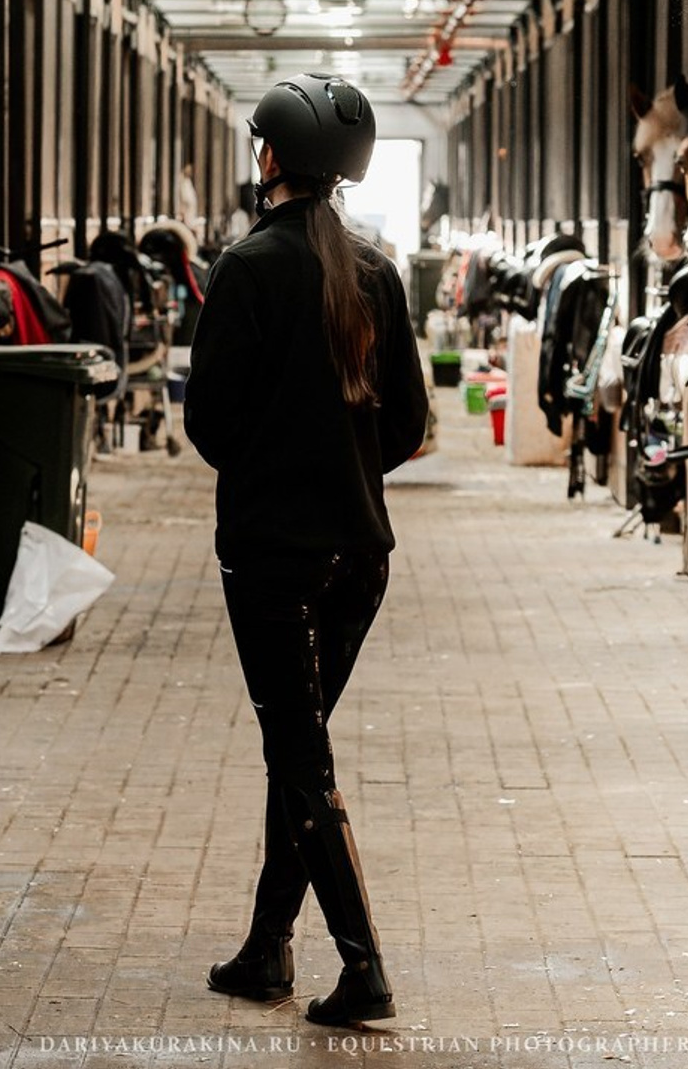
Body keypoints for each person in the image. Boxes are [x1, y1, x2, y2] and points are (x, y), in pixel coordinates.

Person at [184, 73, 428, 1027]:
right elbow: (407, 423)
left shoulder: (244, 267)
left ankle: (363, 968)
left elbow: (208, 421)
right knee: (301, 746)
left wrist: (268, 471)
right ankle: (267, 948)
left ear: (273, 157)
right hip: (359, 557)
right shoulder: (376, 273)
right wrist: (345, 473)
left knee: (300, 756)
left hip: (271, 557)